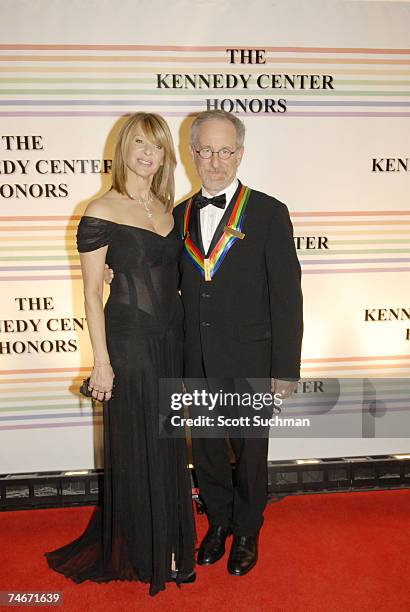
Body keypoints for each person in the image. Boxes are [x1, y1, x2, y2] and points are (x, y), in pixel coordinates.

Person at [105, 109, 303, 577]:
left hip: (253, 356)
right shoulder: (177, 215)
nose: (216, 160)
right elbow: (158, 275)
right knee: (209, 447)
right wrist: (118, 275)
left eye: (226, 150)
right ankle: (218, 523)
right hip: (192, 356)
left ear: (240, 154)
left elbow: (288, 296)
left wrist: (285, 369)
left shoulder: (270, 212)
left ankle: (249, 529)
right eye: (206, 150)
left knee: (251, 449)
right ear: (193, 153)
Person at [45, 112, 196, 596]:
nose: (147, 153)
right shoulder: (100, 209)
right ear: (122, 150)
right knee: (140, 445)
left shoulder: (167, 208)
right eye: (138, 143)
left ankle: (171, 545)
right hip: (130, 343)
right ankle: (142, 548)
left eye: (156, 145)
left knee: (169, 444)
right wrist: (101, 362)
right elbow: (92, 293)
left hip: (170, 342)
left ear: (164, 155)